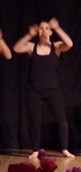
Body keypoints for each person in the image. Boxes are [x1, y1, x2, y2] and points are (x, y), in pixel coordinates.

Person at [13, 18, 74, 159]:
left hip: (52, 91)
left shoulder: (56, 46)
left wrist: (58, 28)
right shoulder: (31, 47)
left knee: (62, 121)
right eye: (41, 28)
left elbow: (70, 44)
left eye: (47, 28)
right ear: (38, 31)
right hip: (34, 91)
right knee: (35, 121)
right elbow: (16, 48)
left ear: (50, 32)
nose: (44, 30)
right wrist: (29, 34)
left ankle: (64, 149)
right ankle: (35, 150)